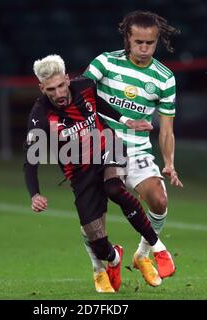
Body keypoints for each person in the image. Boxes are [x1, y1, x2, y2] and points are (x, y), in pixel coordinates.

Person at [23, 54, 174, 293]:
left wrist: (126, 120)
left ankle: (158, 249)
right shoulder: (39, 116)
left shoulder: (85, 86)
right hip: (79, 172)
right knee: (96, 239)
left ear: (67, 78)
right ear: (42, 88)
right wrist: (35, 194)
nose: (59, 93)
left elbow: (99, 104)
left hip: (108, 147)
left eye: (61, 85)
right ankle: (114, 258)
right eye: (51, 89)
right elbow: (30, 161)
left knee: (114, 188)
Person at [83, 11, 182, 284]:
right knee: (94, 218)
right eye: (138, 41)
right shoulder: (105, 62)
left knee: (159, 200)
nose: (143, 48)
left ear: (157, 41)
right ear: (127, 38)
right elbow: (79, 96)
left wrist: (169, 162)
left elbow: (167, 128)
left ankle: (142, 254)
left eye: (149, 43)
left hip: (137, 151)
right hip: (100, 147)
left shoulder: (164, 78)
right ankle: (102, 266)